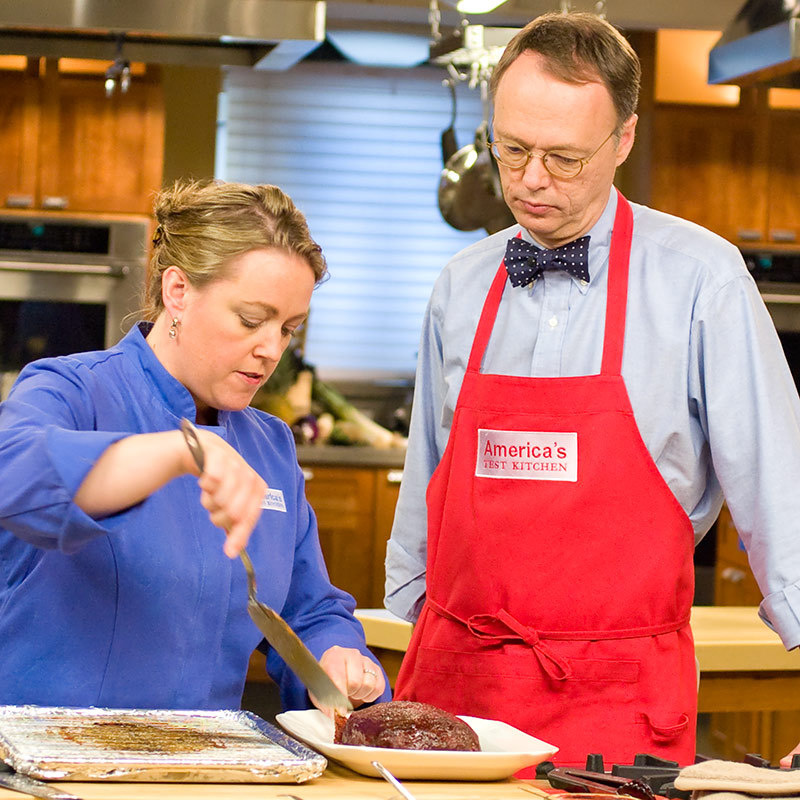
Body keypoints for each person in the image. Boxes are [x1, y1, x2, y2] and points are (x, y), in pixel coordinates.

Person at [385, 11, 800, 767]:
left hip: (617, 710)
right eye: (511, 149)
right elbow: (426, 482)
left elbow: (781, 487)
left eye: (564, 158)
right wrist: (396, 637)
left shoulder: (701, 282)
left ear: (624, 141)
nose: (531, 178)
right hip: (454, 700)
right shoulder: (461, 284)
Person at [0, 178, 389, 714]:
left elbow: (309, 610)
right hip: (43, 768)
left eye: (289, 329)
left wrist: (339, 658)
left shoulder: (270, 444)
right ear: (177, 290)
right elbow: (17, 482)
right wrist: (179, 452)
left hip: (201, 766)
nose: (270, 349)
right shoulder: (70, 390)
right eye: (251, 320)